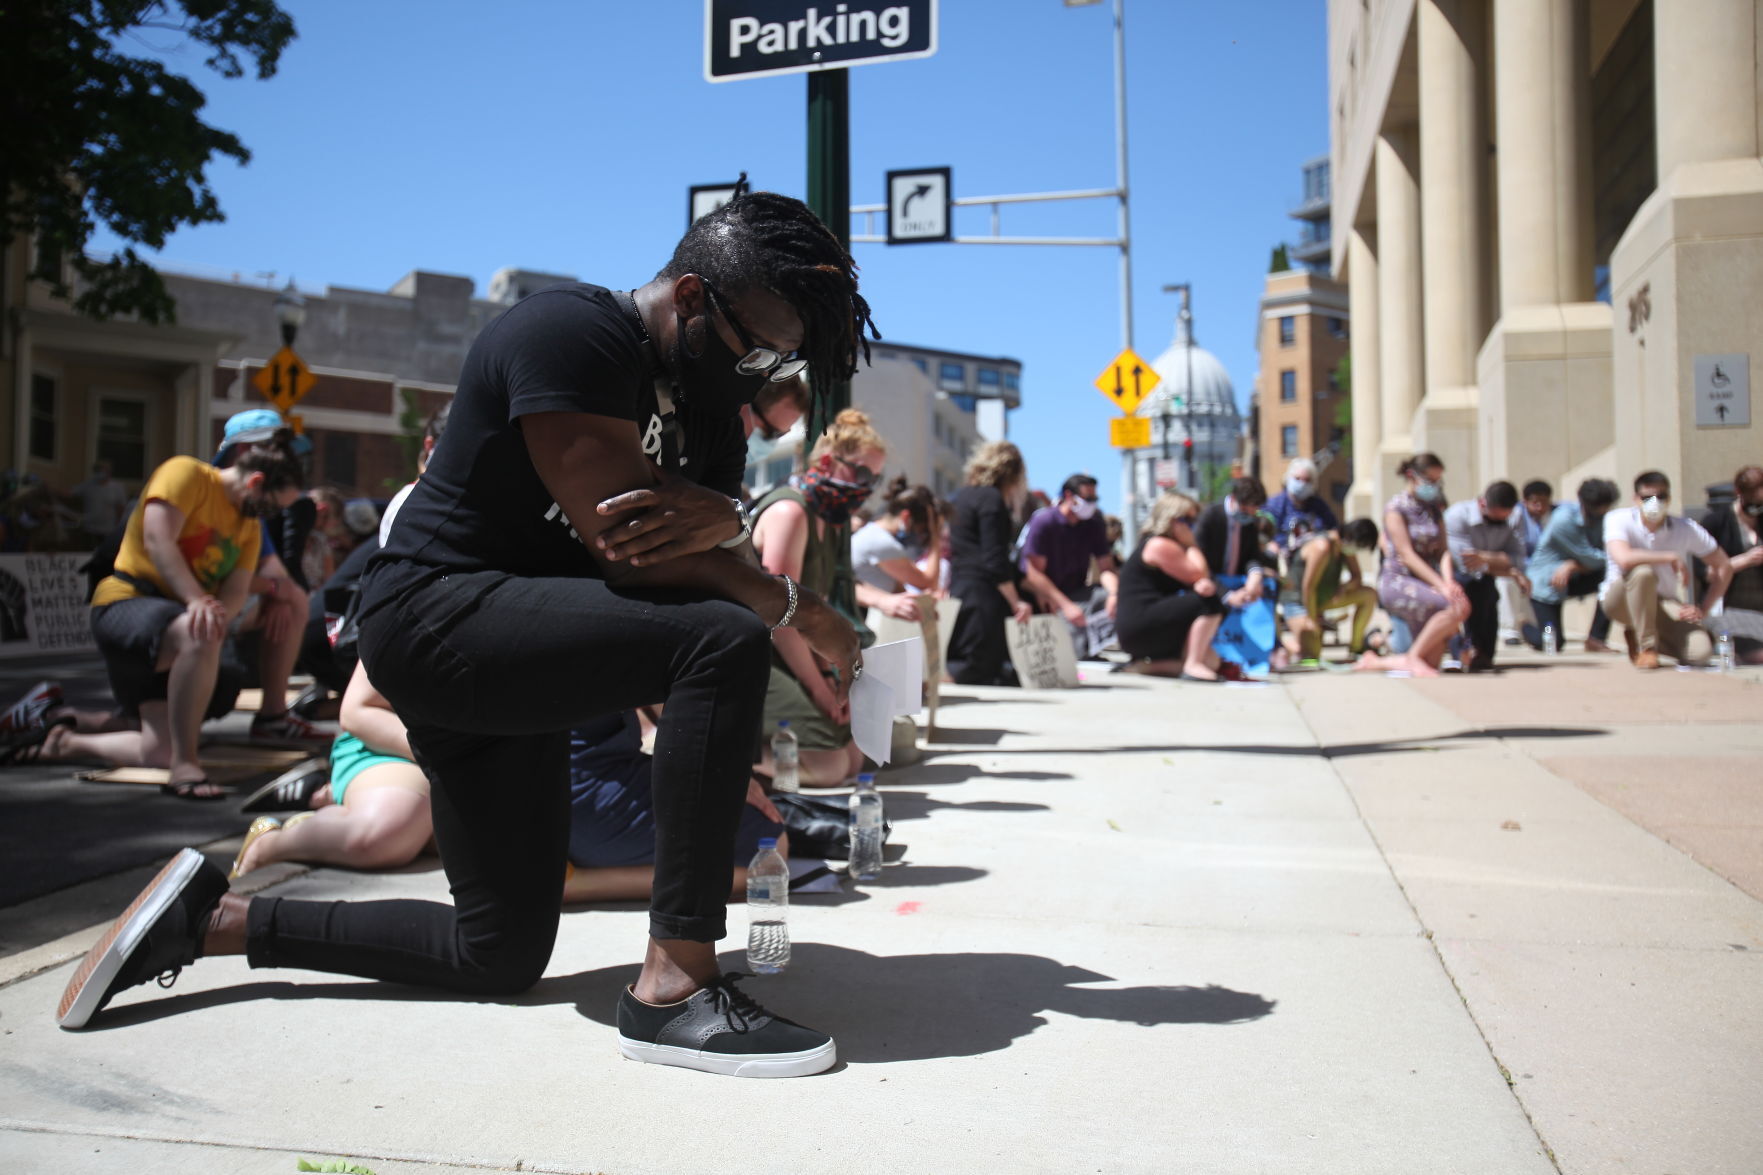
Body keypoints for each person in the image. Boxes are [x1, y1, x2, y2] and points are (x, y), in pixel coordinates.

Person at [61, 191, 870, 1080]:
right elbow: (637, 557)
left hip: (521, 654)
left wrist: (719, 517)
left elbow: (693, 550)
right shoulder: (571, 334)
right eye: (755, 347)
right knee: (720, 635)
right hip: (437, 616)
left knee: (500, 951)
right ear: (688, 298)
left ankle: (215, 920)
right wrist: (799, 603)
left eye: (783, 358)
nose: (763, 375)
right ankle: (676, 989)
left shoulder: (712, 412)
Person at [26, 434, 306, 797]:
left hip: (178, 624)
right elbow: (159, 540)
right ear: (255, 483)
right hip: (127, 604)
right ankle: (186, 768)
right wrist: (197, 601)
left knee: (159, 750)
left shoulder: (248, 528)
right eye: (271, 506)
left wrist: (219, 615)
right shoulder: (186, 473)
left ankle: (60, 734)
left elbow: (235, 591)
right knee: (198, 632)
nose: (271, 516)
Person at [750, 408, 885, 786]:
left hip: (792, 652)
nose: (867, 487)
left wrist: (828, 677)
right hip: (757, 651)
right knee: (830, 768)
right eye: (861, 473)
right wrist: (818, 688)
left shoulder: (827, 521)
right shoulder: (790, 512)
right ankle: (707, 753)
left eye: (876, 478)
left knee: (856, 758)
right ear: (827, 460)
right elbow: (780, 616)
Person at [230, 661, 433, 877]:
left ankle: (331, 799)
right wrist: (444, 754)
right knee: (380, 833)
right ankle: (268, 845)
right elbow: (358, 711)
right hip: (395, 745)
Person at [563, 707, 785, 903]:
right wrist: (725, 770)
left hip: (543, 800)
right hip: (588, 802)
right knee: (769, 851)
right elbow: (676, 703)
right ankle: (580, 883)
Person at [1601, 470, 1732, 669]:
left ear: (1669, 498)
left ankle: (1639, 635)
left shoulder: (1685, 528)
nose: (1654, 502)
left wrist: (1703, 609)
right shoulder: (1618, 519)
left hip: (1662, 601)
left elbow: (1723, 565)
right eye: (1647, 497)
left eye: (1660, 496)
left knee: (1699, 653)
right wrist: (1670, 556)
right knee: (1643, 572)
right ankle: (1647, 648)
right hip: (1621, 600)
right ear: (1636, 499)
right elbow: (1624, 559)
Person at [1358, 453, 1469, 677]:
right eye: (1430, 480)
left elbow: (1443, 551)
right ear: (1412, 476)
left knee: (1431, 663)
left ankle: (1377, 661)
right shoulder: (1395, 508)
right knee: (1458, 607)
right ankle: (1411, 657)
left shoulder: (1434, 509)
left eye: (1438, 481)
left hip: (1427, 582)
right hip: (1398, 581)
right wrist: (1441, 585)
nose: (1434, 486)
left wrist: (1449, 582)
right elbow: (1406, 554)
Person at [946, 441, 1034, 685]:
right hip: (983, 593)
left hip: (962, 586)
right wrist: (1016, 602)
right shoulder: (991, 499)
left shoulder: (962, 497)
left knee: (967, 659)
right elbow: (994, 558)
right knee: (974, 666)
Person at [1113, 492, 1228, 679]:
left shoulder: (1168, 545)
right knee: (1210, 603)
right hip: (1140, 624)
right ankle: (1193, 665)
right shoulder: (1159, 544)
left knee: (1212, 662)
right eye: (1187, 520)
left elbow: (1200, 578)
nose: (1192, 525)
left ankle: (1144, 667)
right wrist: (1192, 544)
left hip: (1143, 627)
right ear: (1171, 519)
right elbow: (1198, 574)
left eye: (1194, 520)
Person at [1018, 474, 1119, 660]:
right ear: (1069, 496)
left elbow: (1106, 568)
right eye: (1087, 499)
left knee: (1108, 597)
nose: (1091, 503)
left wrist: (1115, 594)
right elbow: (1033, 573)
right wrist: (1065, 605)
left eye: (1094, 499)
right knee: (1070, 652)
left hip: (1075, 594)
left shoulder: (1094, 524)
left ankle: (1090, 645)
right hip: (1044, 596)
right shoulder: (1045, 522)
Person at [1444, 481, 1532, 671]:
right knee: (1476, 588)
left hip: (1511, 582)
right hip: (1454, 575)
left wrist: (1485, 557)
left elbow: (1519, 559)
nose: (1499, 524)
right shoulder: (1458, 515)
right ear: (1483, 504)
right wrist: (1508, 568)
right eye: (1495, 518)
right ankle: (1468, 648)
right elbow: (1466, 564)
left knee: (1551, 638)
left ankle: (1529, 633)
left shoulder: (1515, 517)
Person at [1525, 478, 1619, 652]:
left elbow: (1611, 559)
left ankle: (1596, 638)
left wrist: (1573, 566)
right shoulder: (1564, 519)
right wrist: (1577, 564)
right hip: (1546, 586)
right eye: (1600, 507)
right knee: (1551, 642)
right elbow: (1590, 557)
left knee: (1613, 577)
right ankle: (1526, 627)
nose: (1604, 511)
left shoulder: (1605, 519)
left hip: (1574, 578)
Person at [1285, 519, 1381, 663]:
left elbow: (1357, 577)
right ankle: (1285, 644)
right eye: (1360, 545)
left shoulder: (1344, 547)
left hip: (1324, 600)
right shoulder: (1322, 547)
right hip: (1299, 602)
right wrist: (1312, 620)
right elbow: (1308, 588)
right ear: (1349, 536)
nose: (1357, 550)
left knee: (1369, 594)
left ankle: (1356, 647)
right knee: (1312, 655)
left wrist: (1344, 588)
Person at [852, 475, 941, 621]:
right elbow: (928, 583)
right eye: (922, 529)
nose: (921, 536)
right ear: (906, 517)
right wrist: (935, 536)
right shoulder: (882, 543)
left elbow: (899, 590)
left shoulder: (872, 534)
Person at [1700, 465, 1763, 663]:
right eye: (1754, 497)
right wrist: (1742, 561)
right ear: (1739, 493)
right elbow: (1707, 573)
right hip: (1727, 608)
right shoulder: (1716, 523)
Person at [1264, 457, 1339, 555]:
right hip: (1283, 555)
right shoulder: (1274, 504)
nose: (1302, 484)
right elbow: (1264, 534)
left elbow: (1333, 529)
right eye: (1297, 479)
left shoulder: (1319, 506)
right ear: (1288, 478)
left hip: (1313, 553)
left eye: (1307, 480)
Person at [67, 460, 130, 546]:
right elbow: (69, 493)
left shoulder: (117, 487)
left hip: (108, 531)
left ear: (109, 472)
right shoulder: (88, 485)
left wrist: (118, 527)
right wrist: (49, 489)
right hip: (89, 529)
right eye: (98, 470)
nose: (101, 473)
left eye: (104, 470)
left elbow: (121, 508)